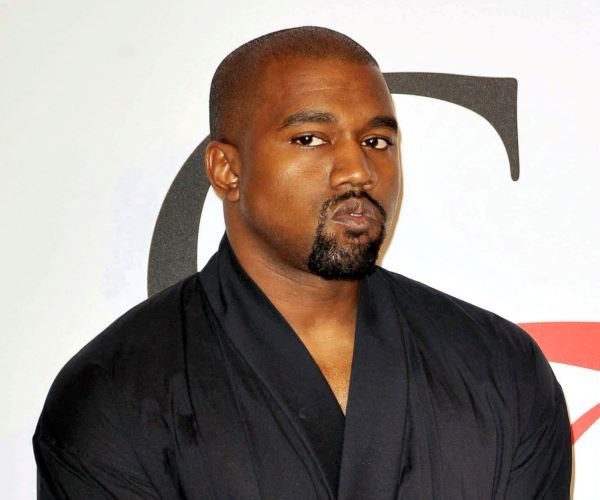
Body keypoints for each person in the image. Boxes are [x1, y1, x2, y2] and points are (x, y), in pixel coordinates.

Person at [33, 27, 572, 499]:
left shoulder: (500, 368)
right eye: (310, 139)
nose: (357, 170)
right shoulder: (113, 394)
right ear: (226, 170)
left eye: (376, 140)